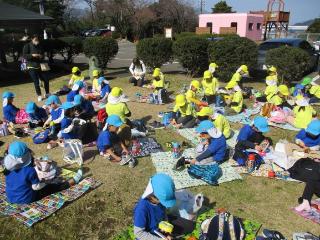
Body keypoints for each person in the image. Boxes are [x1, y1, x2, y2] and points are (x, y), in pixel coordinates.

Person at [4, 141, 82, 204]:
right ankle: (70, 182)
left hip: (11, 198)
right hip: (26, 199)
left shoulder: (8, 169)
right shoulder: (29, 170)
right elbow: (36, 187)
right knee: (51, 187)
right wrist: (46, 182)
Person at [134, 173, 176, 240]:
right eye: (163, 201)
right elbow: (139, 233)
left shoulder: (159, 201)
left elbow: (164, 214)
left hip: (159, 232)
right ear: (152, 196)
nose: (164, 205)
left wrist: (166, 232)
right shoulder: (141, 209)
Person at [22, 34, 50, 102]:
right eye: (35, 39)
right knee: (36, 82)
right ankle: (39, 95)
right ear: (32, 39)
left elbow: (43, 54)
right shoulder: (27, 45)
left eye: (38, 39)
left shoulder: (40, 46)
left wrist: (41, 56)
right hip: (31, 66)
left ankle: (47, 93)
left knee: (46, 79)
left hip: (41, 65)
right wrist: (32, 55)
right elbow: (24, 55)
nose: (37, 41)